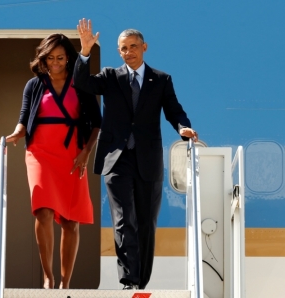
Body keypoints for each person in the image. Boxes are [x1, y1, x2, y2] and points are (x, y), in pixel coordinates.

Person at [74, 19, 199, 290]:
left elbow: (173, 109)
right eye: (122, 48)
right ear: (118, 52)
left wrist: (183, 127)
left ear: (144, 47)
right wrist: (84, 52)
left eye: (133, 47)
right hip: (116, 159)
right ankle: (129, 280)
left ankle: (141, 281)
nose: (128, 52)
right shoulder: (109, 77)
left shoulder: (161, 80)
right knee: (123, 219)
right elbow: (82, 83)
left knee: (145, 223)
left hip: (147, 160)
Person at [4, 33, 102, 289]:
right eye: (50, 58)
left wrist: (86, 153)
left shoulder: (81, 83)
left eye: (60, 57)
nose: (55, 62)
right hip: (40, 153)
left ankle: (65, 283)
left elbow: (97, 123)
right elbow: (24, 117)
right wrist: (17, 132)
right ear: (43, 59)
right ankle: (48, 277)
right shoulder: (34, 85)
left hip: (73, 155)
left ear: (68, 58)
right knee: (43, 211)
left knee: (71, 221)